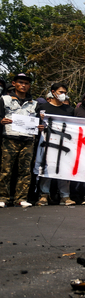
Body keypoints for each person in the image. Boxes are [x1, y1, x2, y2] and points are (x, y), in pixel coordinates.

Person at [0, 73, 42, 208]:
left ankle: (21, 198)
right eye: (20, 82)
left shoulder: (34, 104)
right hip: (9, 138)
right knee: (6, 169)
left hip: (28, 139)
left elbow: (39, 122)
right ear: (14, 84)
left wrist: (40, 126)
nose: (23, 85)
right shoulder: (4, 99)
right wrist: (0, 121)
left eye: (26, 83)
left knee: (25, 170)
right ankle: (3, 197)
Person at [36, 82, 76, 206]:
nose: (63, 95)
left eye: (65, 93)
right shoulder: (42, 108)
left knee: (64, 168)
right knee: (47, 166)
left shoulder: (69, 110)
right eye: (61, 92)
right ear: (53, 92)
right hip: (47, 143)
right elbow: (34, 125)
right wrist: (39, 127)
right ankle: (44, 195)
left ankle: (65, 196)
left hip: (65, 144)